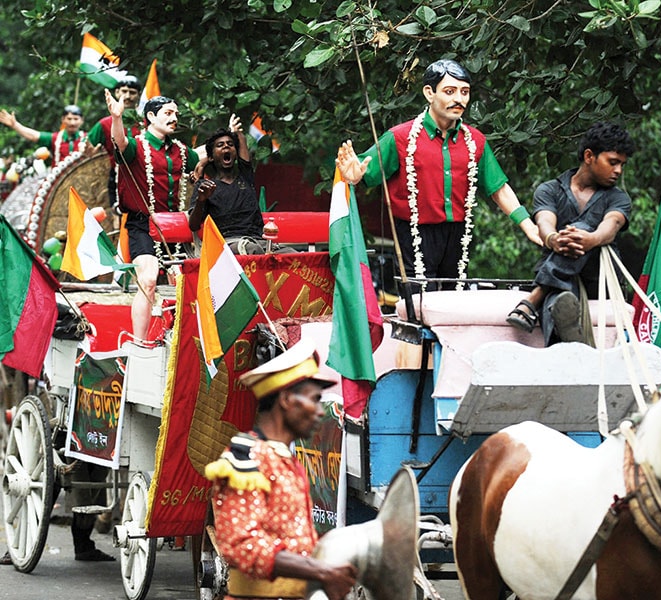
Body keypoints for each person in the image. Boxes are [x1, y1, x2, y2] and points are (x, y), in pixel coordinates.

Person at [335, 58, 540, 289]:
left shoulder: (475, 141)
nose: (459, 99)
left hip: (458, 234)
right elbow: (365, 169)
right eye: (450, 91)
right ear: (429, 93)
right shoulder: (400, 137)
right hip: (415, 233)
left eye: (465, 92)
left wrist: (528, 224)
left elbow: (498, 188)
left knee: (455, 301)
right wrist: (354, 176)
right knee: (421, 300)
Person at [205, 338, 357, 600]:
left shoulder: (285, 460)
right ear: (286, 400)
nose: (321, 412)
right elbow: (244, 545)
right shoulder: (246, 460)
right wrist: (320, 571)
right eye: (314, 400)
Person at [505, 122, 635, 346]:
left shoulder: (618, 198)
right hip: (563, 281)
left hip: (599, 277)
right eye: (613, 162)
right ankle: (572, 342)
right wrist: (553, 239)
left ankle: (535, 297)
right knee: (559, 302)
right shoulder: (549, 190)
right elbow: (545, 221)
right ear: (589, 156)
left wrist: (590, 239)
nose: (618, 171)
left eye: (622, 164)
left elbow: (611, 225)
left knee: (583, 229)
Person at [106, 90, 199, 341]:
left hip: (177, 227)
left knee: (183, 285)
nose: (174, 118)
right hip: (142, 224)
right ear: (151, 116)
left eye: (176, 114)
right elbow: (120, 143)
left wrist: (233, 138)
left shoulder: (181, 150)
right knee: (147, 281)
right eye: (168, 113)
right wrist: (117, 118)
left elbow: (201, 158)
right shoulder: (137, 146)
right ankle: (140, 343)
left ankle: (181, 342)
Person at [188, 115, 266, 255]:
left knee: (295, 257)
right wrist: (201, 200)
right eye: (220, 145)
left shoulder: (245, 178)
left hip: (258, 242)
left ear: (235, 153)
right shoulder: (204, 186)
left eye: (230, 145)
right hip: (225, 246)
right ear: (211, 157)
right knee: (252, 249)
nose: (226, 146)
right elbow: (193, 225)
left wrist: (237, 132)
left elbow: (243, 151)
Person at [86, 76, 143, 210]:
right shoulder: (104, 124)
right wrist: (88, 150)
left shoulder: (147, 122)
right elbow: (86, 147)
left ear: (139, 95)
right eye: (124, 91)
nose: (128, 96)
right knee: (118, 217)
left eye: (132, 92)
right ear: (116, 92)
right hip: (116, 178)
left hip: (144, 176)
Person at [0, 104, 87, 167]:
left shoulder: (87, 138)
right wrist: (15, 125)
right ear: (63, 120)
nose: (72, 123)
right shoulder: (55, 138)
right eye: (69, 119)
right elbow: (33, 135)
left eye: (76, 119)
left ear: (82, 120)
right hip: (58, 182)